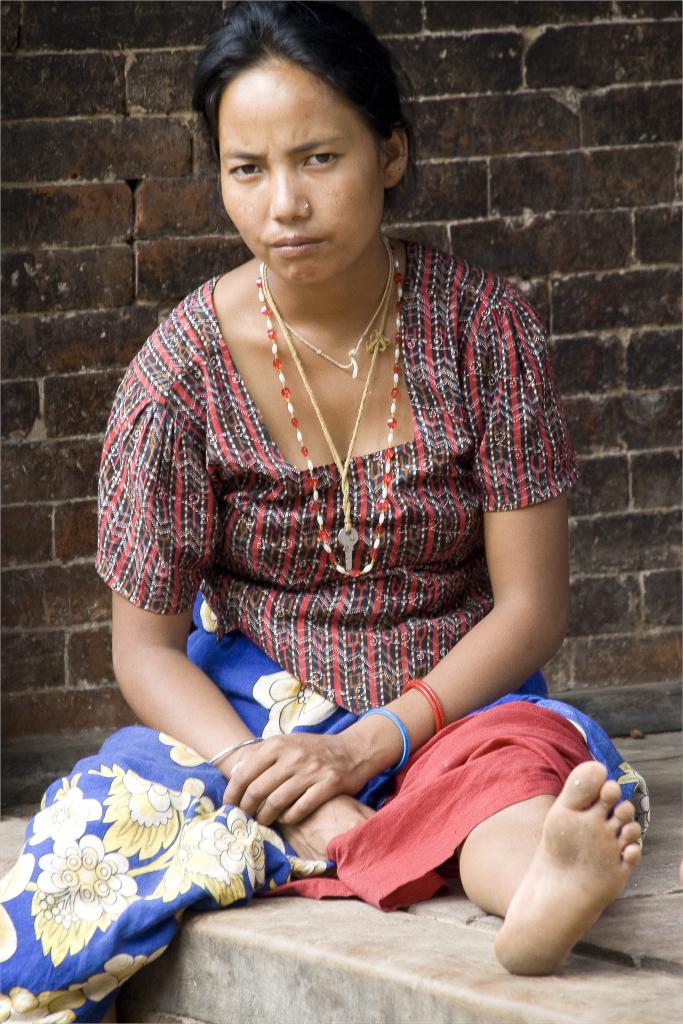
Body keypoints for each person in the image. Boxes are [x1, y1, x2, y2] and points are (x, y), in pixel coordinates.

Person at [0, 3, 650, 1020]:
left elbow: (528, 608)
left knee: (515, 770)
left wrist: (364, 747)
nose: (283, 205)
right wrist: (267, 770)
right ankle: (343, 831)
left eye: (317, 158)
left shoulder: (483, 332)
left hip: (449, 695)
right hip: (254, 716)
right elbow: (145, 652)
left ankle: (536, 888)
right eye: (246, 169)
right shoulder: (177, 377)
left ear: (388, 153)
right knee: (116, 803)